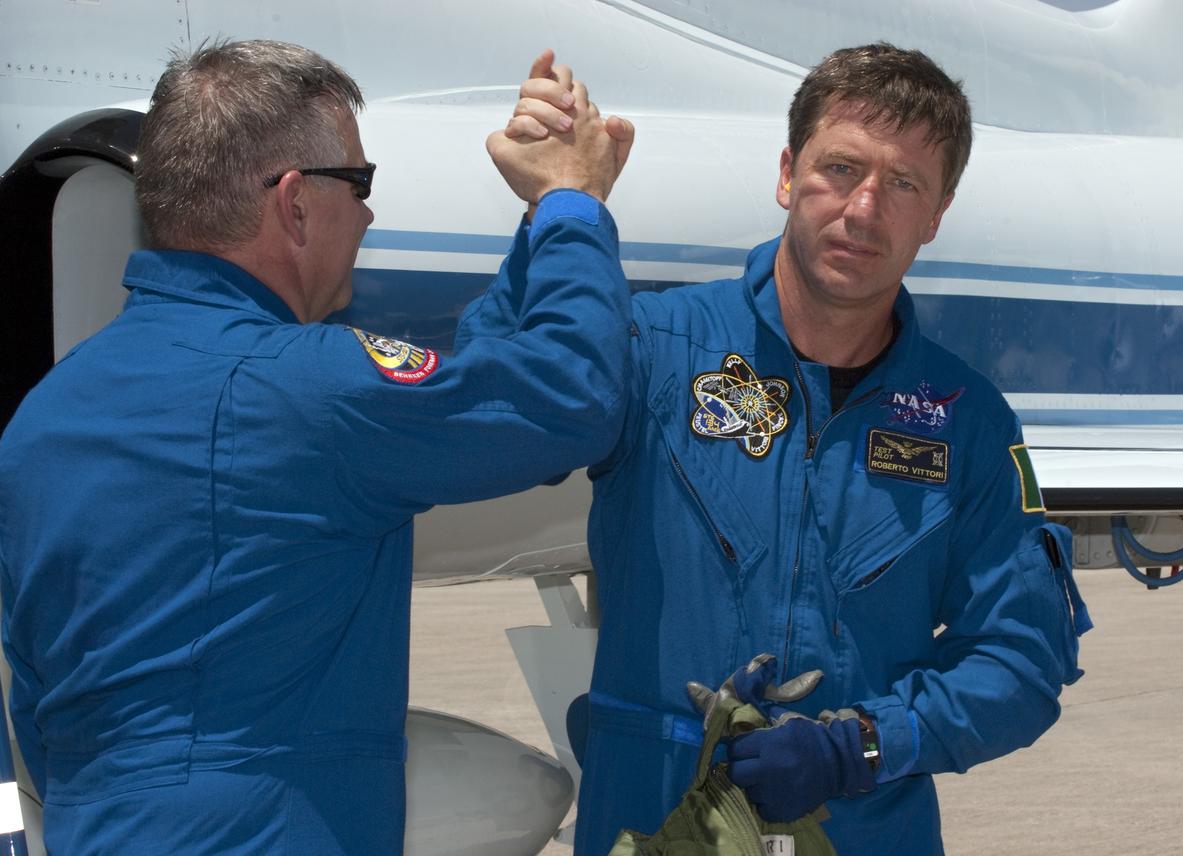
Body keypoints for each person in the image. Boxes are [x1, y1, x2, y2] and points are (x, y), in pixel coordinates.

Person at [0, 41, 634, 853]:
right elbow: (569, 399)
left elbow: (39, 719)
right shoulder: (304, 390)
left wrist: (536, 227)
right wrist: (575, 204)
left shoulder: (44, 419)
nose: (368, 214)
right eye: (359, 185)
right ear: (295, 204)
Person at [506, 43, 1090, 855]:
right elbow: (505, 408)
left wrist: (861, 745)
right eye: (841, 169)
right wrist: (556, 211)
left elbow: (1021, 663)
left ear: (936, 215)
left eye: (904, 184)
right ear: (788, 175)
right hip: (651, 819)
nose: (864, 209)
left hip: (861, 830)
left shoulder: (971, 425)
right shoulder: (653, 350)